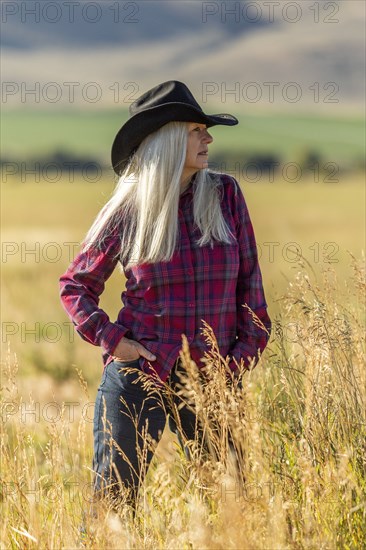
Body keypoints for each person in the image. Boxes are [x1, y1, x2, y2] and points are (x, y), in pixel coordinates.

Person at [59, 80, 271, 511]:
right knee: (112, 508)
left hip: (215, 380)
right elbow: (76, 285)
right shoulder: (129, 209)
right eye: (196, 130)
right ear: (168, 139)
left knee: (232, 508)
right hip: (141, 373)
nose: (208, 138)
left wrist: (234, 364)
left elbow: (254, 297)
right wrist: (114, 341)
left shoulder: (226, 196)